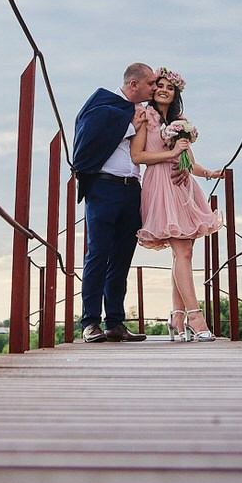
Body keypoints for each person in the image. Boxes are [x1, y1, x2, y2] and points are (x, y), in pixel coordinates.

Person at [132, 67, 224, 340]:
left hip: (183, 187)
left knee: (183, 253)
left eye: (169, 87)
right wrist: (170, 153)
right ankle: (195, 317)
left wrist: (208, 173)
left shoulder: (180, 121)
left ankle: (177, 316)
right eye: (159, 85)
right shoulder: (144, 116)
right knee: (182, 251)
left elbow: (189, 161)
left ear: (175, 93)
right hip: (160, 184)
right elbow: (137, 155)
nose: (163, 90)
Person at [69, 62, 156, 342]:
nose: (154, 88)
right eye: (150, 84)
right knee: (98, 254)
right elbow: (90, 138)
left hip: (132, 190)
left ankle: (115, 322)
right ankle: (90, 322)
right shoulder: (102, 105)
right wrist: (130, 126)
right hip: (104, 188)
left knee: (122, 257)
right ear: (134, 85)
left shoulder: (143, 112)